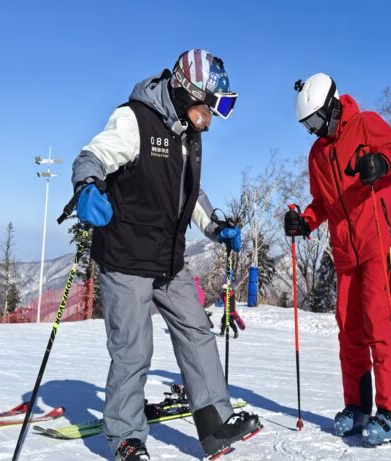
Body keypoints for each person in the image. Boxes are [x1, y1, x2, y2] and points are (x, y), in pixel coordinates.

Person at [71, 49, 261, 461]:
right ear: (185, 90)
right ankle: (125, 437)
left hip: (167, 260)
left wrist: (215, 226)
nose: (211, 118)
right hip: (125, 259)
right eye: (208, 107)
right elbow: (92, 156)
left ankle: (214, 425)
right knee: (134, 349)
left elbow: (190, 192)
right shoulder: (134, 119)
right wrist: (87, 185)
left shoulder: (189, 135)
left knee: (197, 331)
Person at [285, 73, 391, 445]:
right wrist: (304, 222)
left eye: (315, 121)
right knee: (350, 332)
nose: (313, 131)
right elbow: (323, 204)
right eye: (306, 125)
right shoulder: (317, 154)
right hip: (347, 251)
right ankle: (358, 407)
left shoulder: (366, 124)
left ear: (332, 106)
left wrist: (382, 161)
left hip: (381, 243)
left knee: (381, 325)